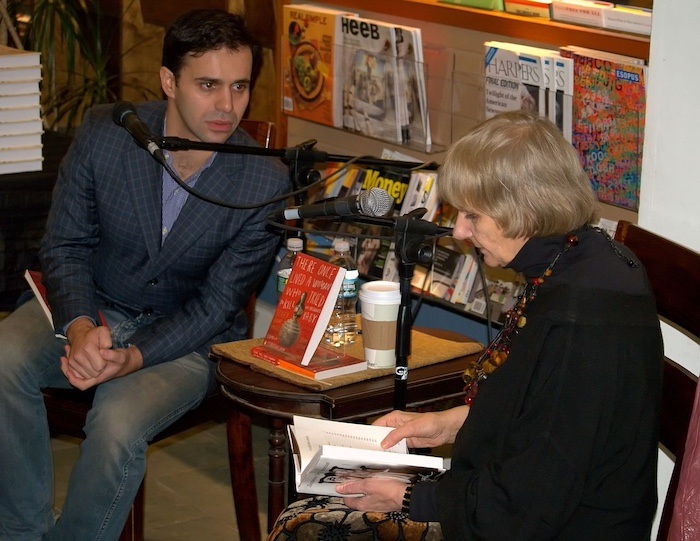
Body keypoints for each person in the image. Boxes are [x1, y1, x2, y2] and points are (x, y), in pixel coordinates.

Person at [272, 111, 663, 540]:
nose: (458, 230)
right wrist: (450, 422)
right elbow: (545, 418)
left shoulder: (582, 318)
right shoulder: (578, 259)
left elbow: (530, 503)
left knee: (305, 525)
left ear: (524, 209)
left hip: (558, 526)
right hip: (528, 505)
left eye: (472, 216)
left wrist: (410, 497)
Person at [0, 9, 290, 540]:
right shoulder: (108, 133)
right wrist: (82, 325)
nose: (227, 106)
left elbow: (218, 304)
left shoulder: (264, 181)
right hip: (91, 303)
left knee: (117, 422)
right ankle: (19, 531)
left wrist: (133, 357)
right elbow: (66, 244)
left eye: (240, 87)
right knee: (2, 358)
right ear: (167, 81)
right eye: (208, 85)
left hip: (187, 338)